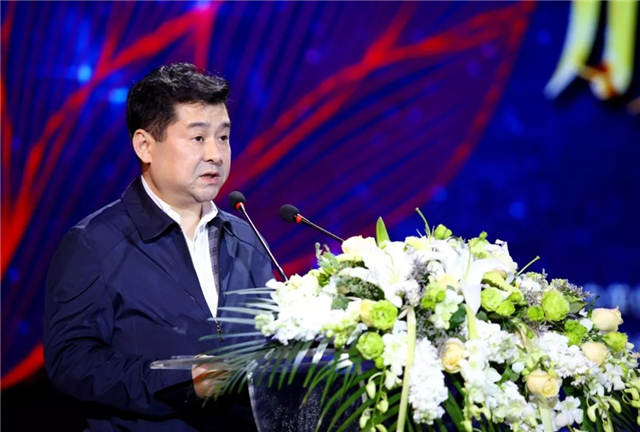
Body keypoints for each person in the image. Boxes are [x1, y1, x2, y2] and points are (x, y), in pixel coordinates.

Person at [44, 63, 273, 431]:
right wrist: (180, 383)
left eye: (224, 137)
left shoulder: (246, 238)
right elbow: (71, 362)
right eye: (198, 138)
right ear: (145, 146)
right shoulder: (94, 243)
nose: (215, 154)